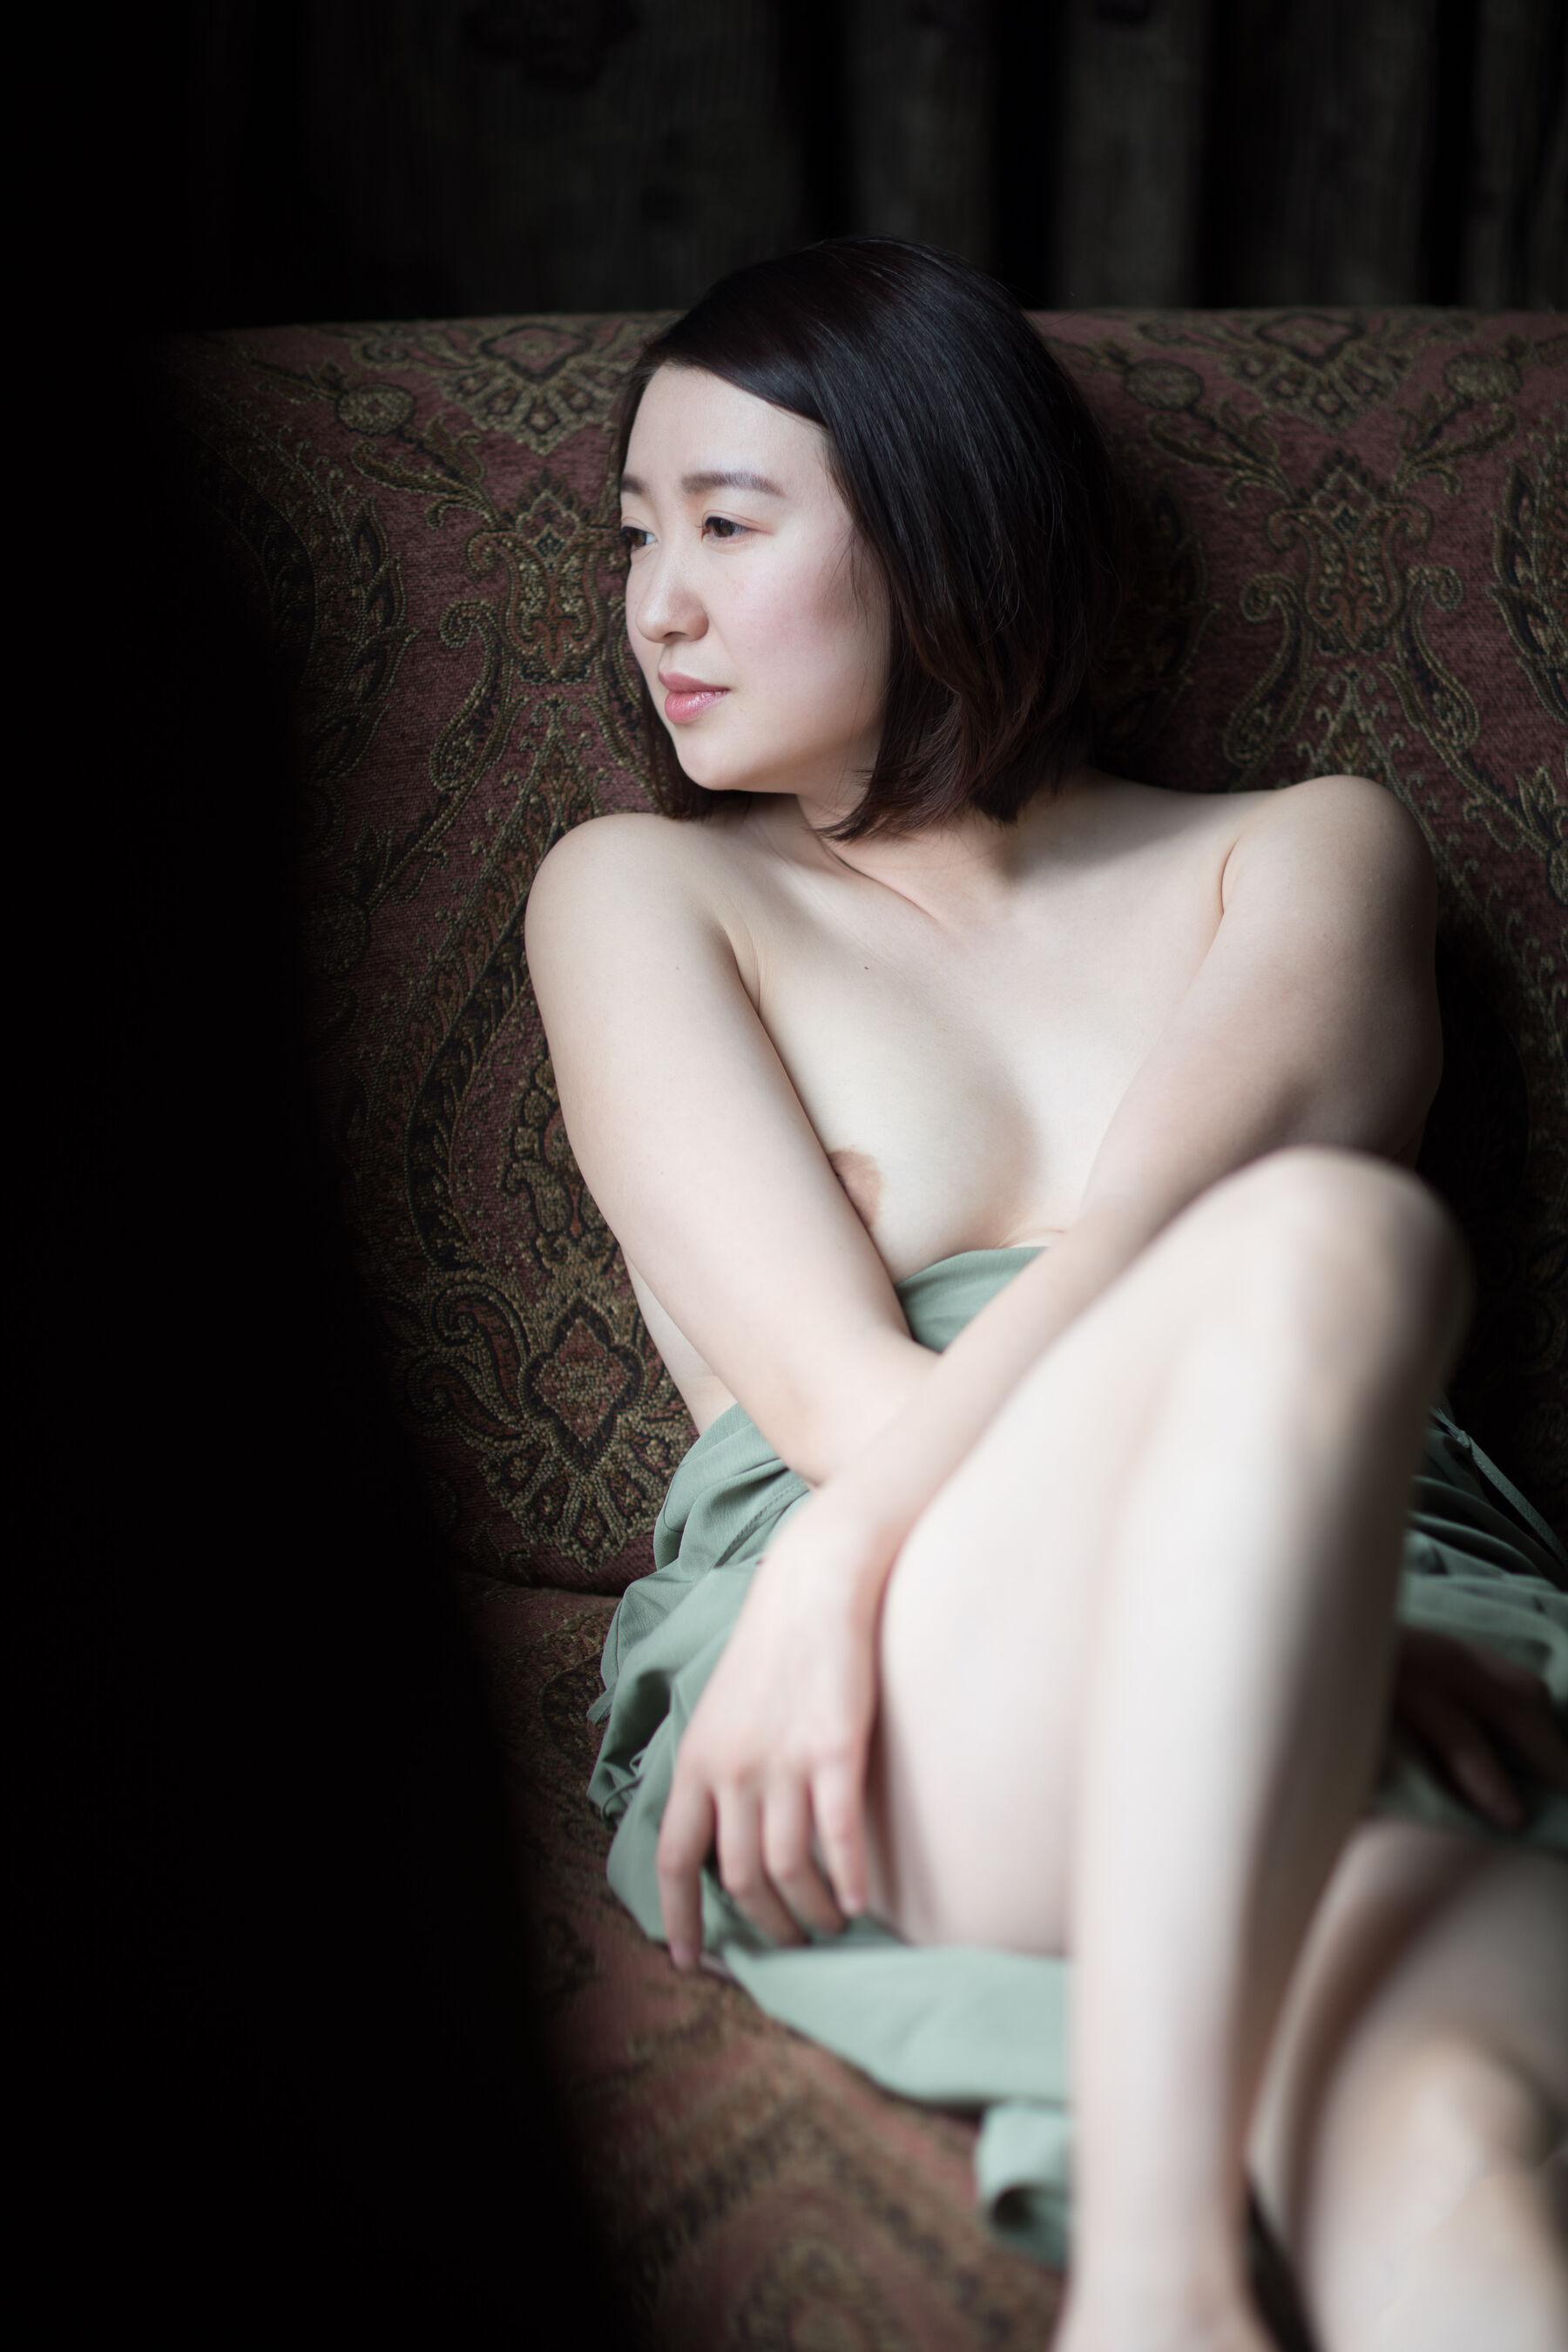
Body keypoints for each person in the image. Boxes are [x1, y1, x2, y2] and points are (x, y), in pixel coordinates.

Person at [524, 236, 1568, 2352]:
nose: (658, 607)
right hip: (914, 1633)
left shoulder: (1302, 848)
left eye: (728, 523)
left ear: (938, 520)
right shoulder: (640, 893)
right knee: (1335, 1243)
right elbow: (838, 1399)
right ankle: (1156, 2289)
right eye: (636, 536)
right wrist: (869, 1573)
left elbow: (1177, 1227)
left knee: (1433, 2139)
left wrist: (1301, 1603)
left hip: (1410, 1620)